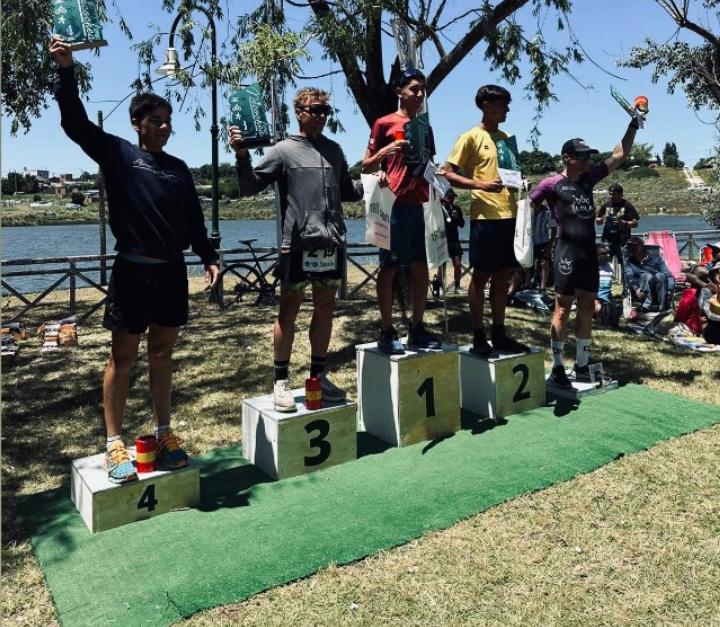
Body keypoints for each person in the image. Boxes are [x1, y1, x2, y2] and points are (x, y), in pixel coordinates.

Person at [50, 35, 220, 484]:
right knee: (122, 358)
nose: (163, 127)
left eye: (168, 122)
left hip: (171, 274)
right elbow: (76, 124)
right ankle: (113, 444)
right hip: (131, 271)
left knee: (162, 356)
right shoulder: (119, 155)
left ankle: (163, 433)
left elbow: (195, 223)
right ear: (136, 123)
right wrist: (66, 71)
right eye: (155, 121)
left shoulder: (180, 169)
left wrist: (208, 256)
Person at [230, 87, 362, 412]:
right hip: (297, 246)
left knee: (326, 309)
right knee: (288, 311)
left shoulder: (335, 150)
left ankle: (317, 377)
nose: (320, 116)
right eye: (315, 110)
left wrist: (373, 183)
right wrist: (242, 155)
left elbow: (348, 191)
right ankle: (280, 381)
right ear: (299, 112)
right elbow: (249, 187)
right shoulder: (283, 151)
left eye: (325, 111)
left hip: (331, 244)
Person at [530, 121, 638, 389]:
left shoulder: (589, 179)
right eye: (581, 156)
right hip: (566, 250)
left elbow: (619, 155)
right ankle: (557, 367)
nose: (586, 161)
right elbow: (528, 205)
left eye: (588, 156)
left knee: (588, 308)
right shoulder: (551, 184)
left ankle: (580, 364)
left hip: (589, 250)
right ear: (566, 157)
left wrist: (633, 125)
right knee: (562, 308)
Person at [443, 84, 530, 358]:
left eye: (507, 104)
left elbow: (512, 174)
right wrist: (479, 184)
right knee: (480, 277)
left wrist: (522, 184)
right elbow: (448, 173)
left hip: (511, 214)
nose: (507, 109)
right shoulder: (469, 137)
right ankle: (479, 336)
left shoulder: (508, 137)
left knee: (503, 276)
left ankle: (500, 333)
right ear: (486, 106)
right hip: (485, 217)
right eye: (502, 104)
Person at [362, 69, 441, 354]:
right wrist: (385, 161)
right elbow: (366, 165)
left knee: (421, 267)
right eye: (413, 89)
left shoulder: (424, 128)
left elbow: (428, 165)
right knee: (390, 268)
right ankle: (387, 329)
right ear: (400, 93)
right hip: (393, 205)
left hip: (421, 205)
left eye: (422, 90)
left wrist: (440, 180)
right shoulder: (384, 123)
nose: (419, 94)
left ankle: (417, 327)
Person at [596, 183, 639, 279]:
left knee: (625, 265)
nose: (611, 196)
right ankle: (604, 289)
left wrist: (624, 223)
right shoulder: (606, 205)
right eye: (610, 194)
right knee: (603, 264)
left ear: (620, 194)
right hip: (607, 240)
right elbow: (597, 221)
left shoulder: (627, 205)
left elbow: (635, 223)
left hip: (622, 240)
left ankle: (626, 289)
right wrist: (602, 219)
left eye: (613, 194)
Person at [623, 235, 675, 312]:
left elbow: (668, 275)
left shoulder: (656, 259)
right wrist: (636, 289)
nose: (631, 248)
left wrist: (670, 289)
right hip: (641, 292)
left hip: (659, 290)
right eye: (629, 246)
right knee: (647, 275)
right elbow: (630, 277)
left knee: (660, 275)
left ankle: (662, 306)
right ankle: (646, 305)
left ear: (641, 246)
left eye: (634, 246)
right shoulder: (629, 262)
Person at [432, 189, 465, 296]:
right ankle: (440, 286)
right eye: (449, 197)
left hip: (454, 240)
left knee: (458, 263)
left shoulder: (456, 209)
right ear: (443, 197)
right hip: (442, 239)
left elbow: (462, 224)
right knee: (442, 265)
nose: (452, 199)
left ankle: (457, 286)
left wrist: (457, 217)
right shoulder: (438, 209)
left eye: (453, 197)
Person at [595, 244, 622, 327]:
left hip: (606, 300)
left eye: (608, 253)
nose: (608, 255)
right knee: (597, 304)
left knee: (615, 308)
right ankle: (602, 318)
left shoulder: (610, 266)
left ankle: (610, 319)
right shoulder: (590, 267)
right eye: (605, 254)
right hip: (592, 298)